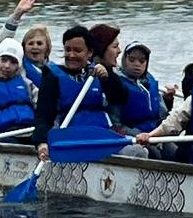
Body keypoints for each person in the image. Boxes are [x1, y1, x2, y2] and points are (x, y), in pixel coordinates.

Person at [32, 25, 143, 160]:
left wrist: (108, 77)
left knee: (139, 151)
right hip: (70, 139)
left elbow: (121, 97)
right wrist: (41, 142)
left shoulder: (97, 73)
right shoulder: (52, 76)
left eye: (77, 51)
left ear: (89, 53)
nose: (71, 55)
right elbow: (43, 115)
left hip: (101, 136)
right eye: (68, 50)